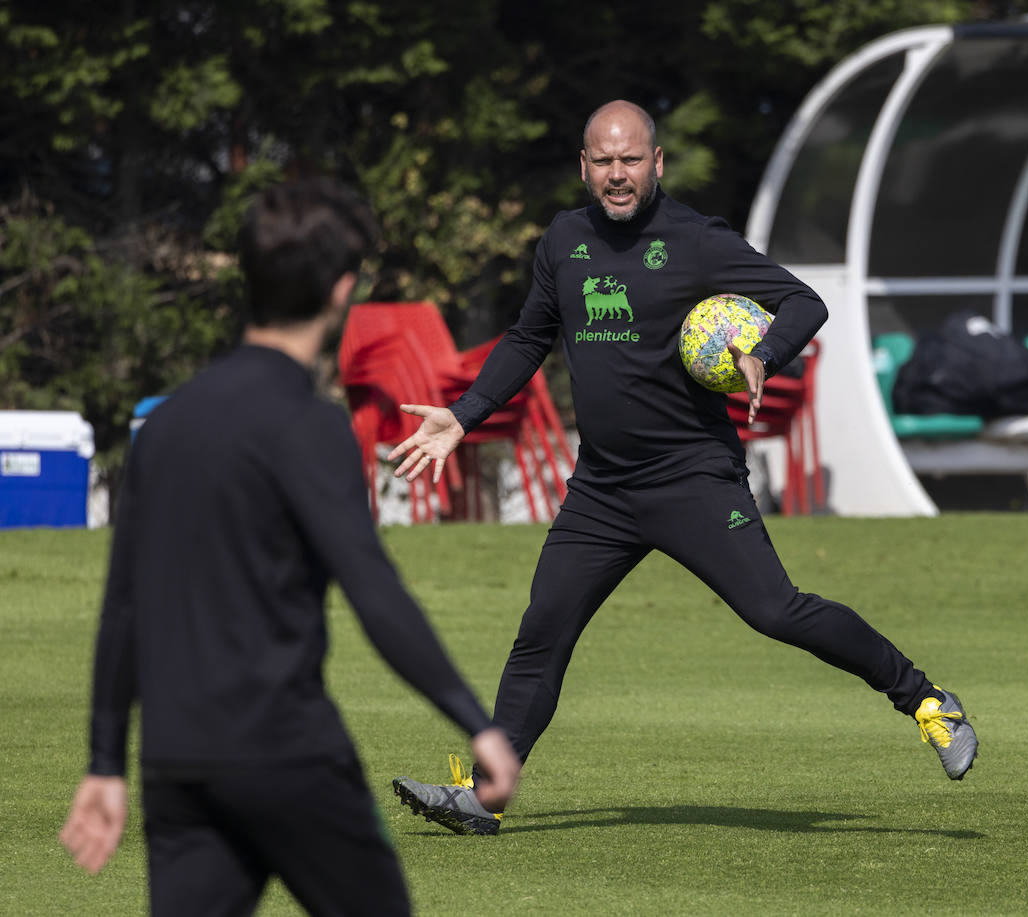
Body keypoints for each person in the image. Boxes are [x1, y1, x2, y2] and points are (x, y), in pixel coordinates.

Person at [388, 101, 977, 837]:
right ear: (583, 167)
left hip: (693, 478)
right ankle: (485, 797)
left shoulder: (698, 241)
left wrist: (761, 353)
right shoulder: (563, 242)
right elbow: (526, 338)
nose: (617, 174)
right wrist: (464, 414)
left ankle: (925, 700)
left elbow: (804, 301)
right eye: (602, 161)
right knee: (542, 632)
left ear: (657, 163)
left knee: (776, 610)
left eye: (630, 159)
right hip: (602, 490)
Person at [59, 178, 521, 915]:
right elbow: (374, 591)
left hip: (179, 765)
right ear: (343, 290)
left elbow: (124, 608)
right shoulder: (309, 427)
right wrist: (479, 724)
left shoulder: (167, 426)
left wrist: (104, 762)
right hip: (289, 756)